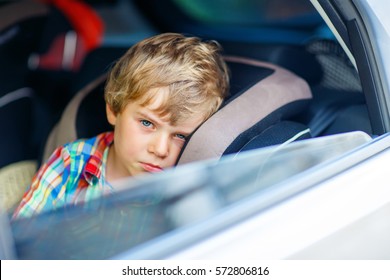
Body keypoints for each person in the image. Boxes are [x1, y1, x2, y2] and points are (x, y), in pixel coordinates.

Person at [12, 33, 230, 219]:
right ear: (114, 110)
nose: (161, 149)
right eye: (147, 123)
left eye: (181, 136)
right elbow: (22, 242)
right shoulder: (72, 165)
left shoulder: (185, 188)